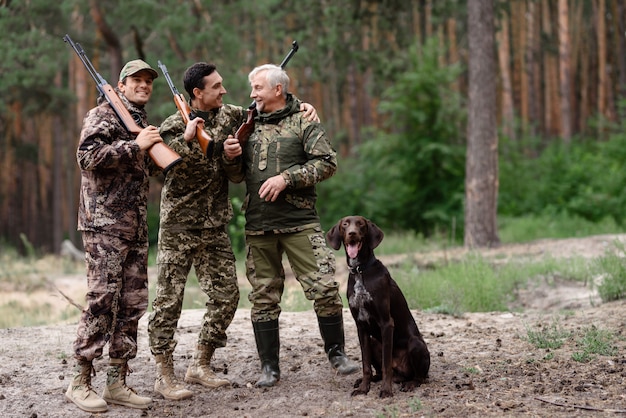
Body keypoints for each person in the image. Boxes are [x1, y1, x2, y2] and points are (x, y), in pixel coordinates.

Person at [147, 62, 319, 400]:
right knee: (169, 301)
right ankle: (164, 374)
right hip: (179, 225)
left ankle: (200, 363)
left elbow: (267, 108)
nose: (224, 91)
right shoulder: (171, 126)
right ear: (197, 93)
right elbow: (160, 170)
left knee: (227, 297)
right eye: (216, 87)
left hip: (215, 225)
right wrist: (186, 141)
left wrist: (302, 105)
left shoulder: (230, 115)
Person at [224, 64, 359, 388]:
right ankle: (269, 367)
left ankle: (337, 354)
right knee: (263, 297)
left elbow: (328, 163)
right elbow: (237, 176)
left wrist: (287, 178)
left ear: (277, 90)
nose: (253, 93)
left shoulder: (304, 120)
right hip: (259, 227)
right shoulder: (247, 124)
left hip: (300, 224)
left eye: (257, 87)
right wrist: (230, 157)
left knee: (325, 289)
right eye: (252, 88)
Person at [65, 60, 163, 413]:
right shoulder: (101, 116)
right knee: (102, 300)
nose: (144, 85)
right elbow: (87, 157)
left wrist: (156, 145)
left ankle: (117, 382)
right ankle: (80, 381)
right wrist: (135, 145)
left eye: (148, 81)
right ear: (121, 85)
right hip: (104, 225)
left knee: (132, 303)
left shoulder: (139, 122)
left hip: (134, 226)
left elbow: (149, 167)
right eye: (137, 80)